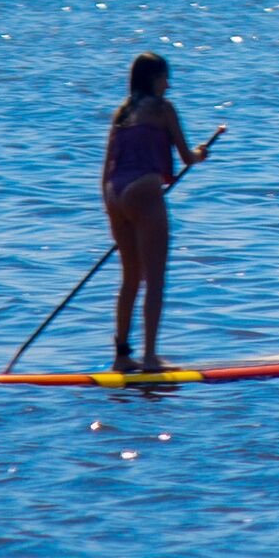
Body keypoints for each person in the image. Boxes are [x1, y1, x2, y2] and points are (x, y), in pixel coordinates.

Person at [100, 52, 200, 372]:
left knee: (130, 278)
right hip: (143, 190)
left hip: (114, 194)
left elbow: (106, 169)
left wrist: (112, 211)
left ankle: (121, 355)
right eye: (164, 78)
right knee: (154, 279)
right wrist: (202, 153)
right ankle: (150, 357)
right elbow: (186, 157)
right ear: (153, 80)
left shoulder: (121, 113)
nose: (168, 85)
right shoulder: (163, 109)